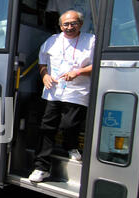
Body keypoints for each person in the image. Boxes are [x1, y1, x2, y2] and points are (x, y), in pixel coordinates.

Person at [28, 10, 95, 183]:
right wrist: (44, 76)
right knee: (47, 127)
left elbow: (99, 65)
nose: (69, 27)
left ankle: (70, 146)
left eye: (73, 23)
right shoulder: (53, 40)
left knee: (69, 124)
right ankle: (41, 167)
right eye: (65, 24)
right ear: (60, 26)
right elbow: (42, 62)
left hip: (77, 92)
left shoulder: (91, 40)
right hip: (54, 91)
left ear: (80, 24)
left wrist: (78, 71)